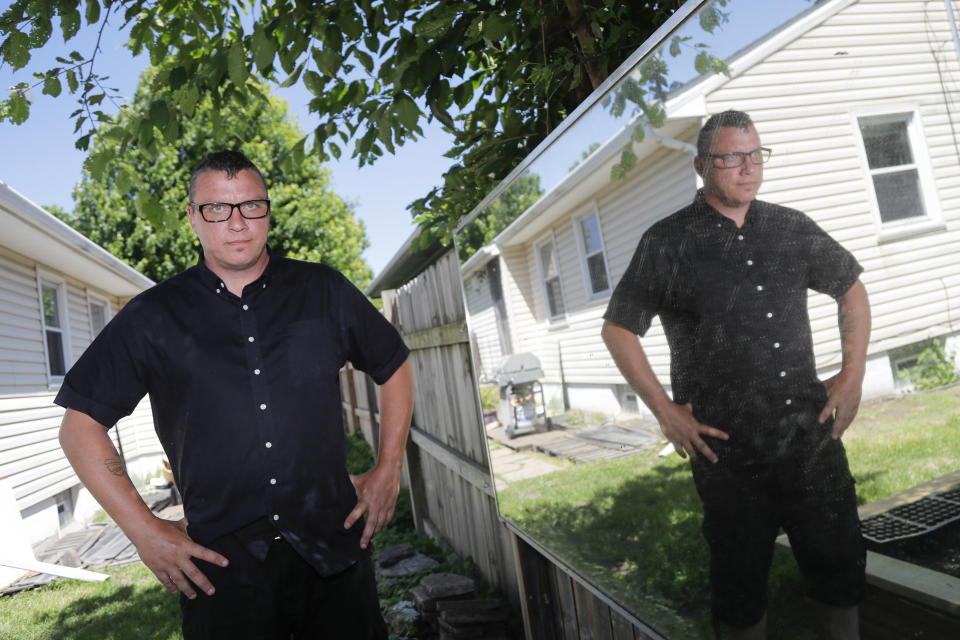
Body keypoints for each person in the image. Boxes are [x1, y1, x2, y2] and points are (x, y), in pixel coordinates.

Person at [56, 150, 413, 639]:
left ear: (267, 211)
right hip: (221, 578)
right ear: (193, 218)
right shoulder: (152, 317)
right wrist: (144, 530)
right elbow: (80, 427)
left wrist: (389, 466)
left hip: (335, 560)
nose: (237, 222)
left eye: (251, 206)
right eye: (217, 209)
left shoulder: (323, 290)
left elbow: (395, 365)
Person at [601, 110, 870, 640]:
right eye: (730, 158)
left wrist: (853, 374)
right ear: (703, 166)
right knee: (740, 594)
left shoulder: (791, 227)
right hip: (726, 452)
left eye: (755, 155)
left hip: (809, 435)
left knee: (840, 574)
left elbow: (851, 288)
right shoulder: (668, 242)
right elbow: (619, 329)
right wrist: (665, 412)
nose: (747, 169)